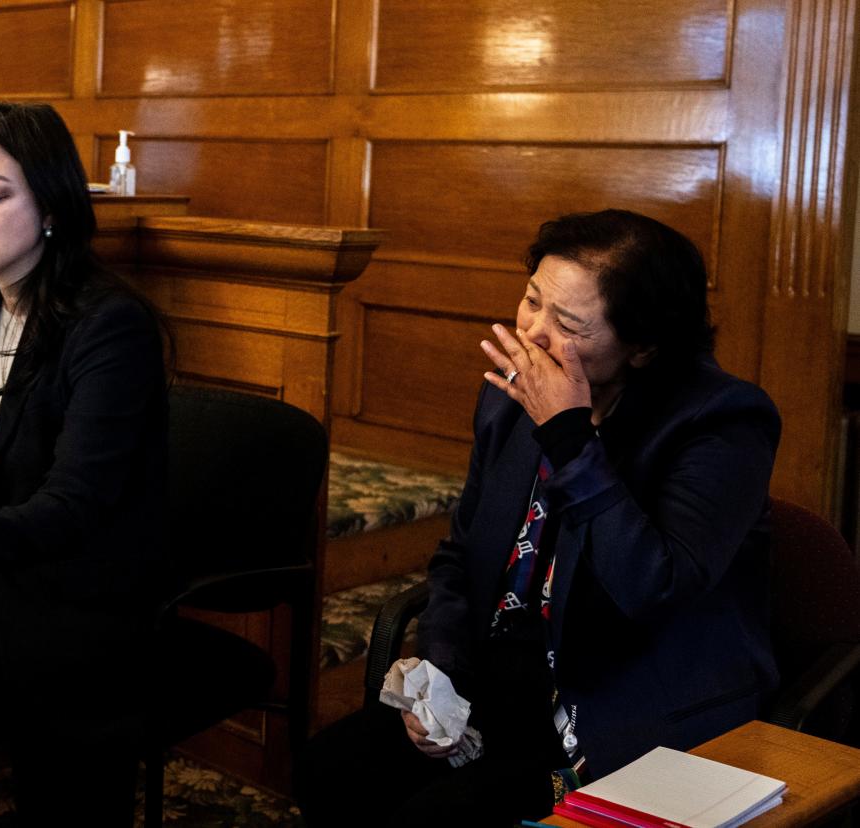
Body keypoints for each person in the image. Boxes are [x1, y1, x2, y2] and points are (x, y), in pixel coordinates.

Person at [294, 209, 781, 825]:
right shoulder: (513, 395)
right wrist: (441, 671)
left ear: (644, 347)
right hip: (503, 683)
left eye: (568, 324)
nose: (533, 335)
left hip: (618, 706)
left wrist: (569, 437)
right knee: (329, 771)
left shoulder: (721, 422)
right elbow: (459, 554)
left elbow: (652, 587)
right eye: (531, 301)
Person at [0, 102, 168, 826]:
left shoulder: (111, 325)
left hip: (84, 607)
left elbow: (70, 510)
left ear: (50, 204)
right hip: (3, 583)